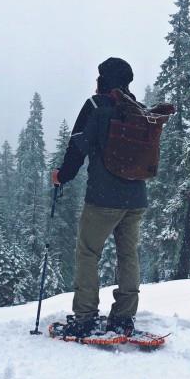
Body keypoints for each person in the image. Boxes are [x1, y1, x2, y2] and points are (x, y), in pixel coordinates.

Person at [51, 57, 146, 339]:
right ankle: (123, 317)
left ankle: (85, 317)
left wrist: (61, 176)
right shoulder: (138, 110)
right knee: (128, 255)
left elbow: (77, 148)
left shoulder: (96, 106)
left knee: (88, 253)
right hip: (136, 197)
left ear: (103, 80)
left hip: (103, 198)